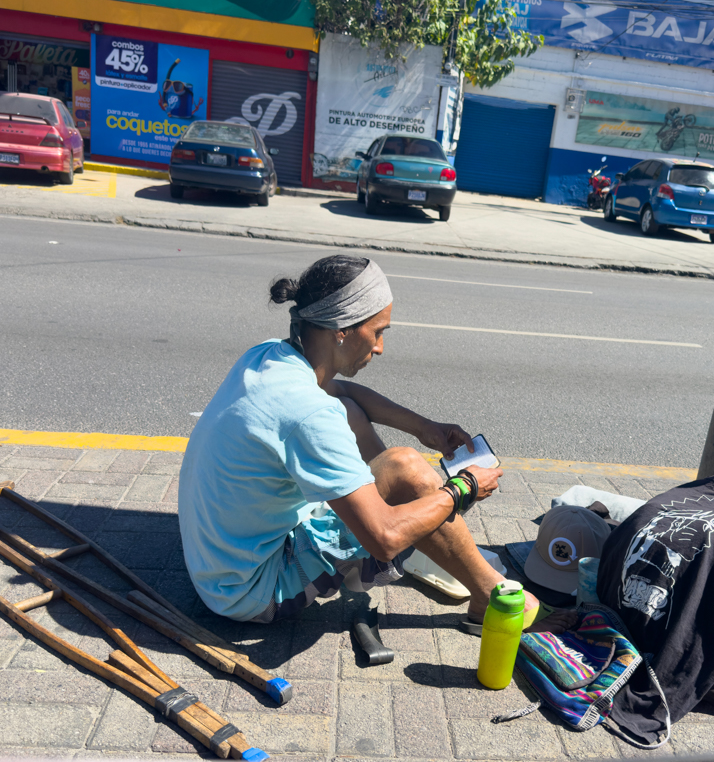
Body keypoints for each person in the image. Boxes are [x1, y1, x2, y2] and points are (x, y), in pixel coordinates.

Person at [178, 255, 575, 634]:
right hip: (250, 591)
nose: (381, 346)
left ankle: (414, 519)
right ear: (342, 329)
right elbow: (382, 540)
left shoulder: (270, 355)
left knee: (350, 409)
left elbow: (343, 391)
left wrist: (425, 427)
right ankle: (488, 595)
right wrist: (463, 488)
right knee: (410, 472)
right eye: (378, 331)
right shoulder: (309, 413)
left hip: (217, 561)